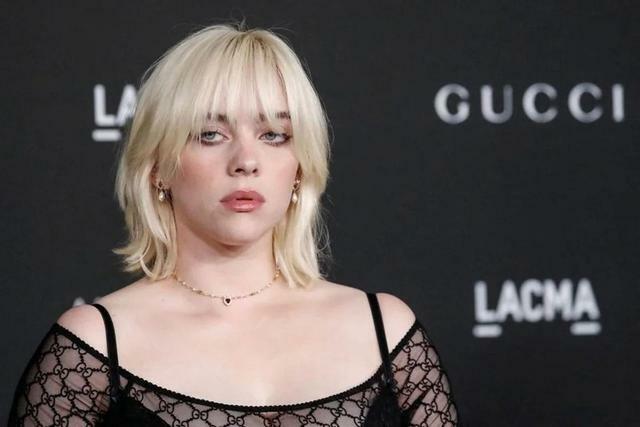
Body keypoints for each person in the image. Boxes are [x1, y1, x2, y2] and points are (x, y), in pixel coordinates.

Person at [8, 22, 461, 426]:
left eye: (274, 135)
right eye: (211, 134)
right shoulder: (92, 349)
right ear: (158, 166)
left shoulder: (387, 333)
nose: (246, 160)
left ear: (300, 166)